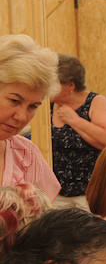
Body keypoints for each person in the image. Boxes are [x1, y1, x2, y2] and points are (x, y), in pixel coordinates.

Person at [51, 54, 106, 210]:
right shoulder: (48, 105)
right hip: (56, 194)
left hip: (88, 193)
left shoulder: (95, 102)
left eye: (54, 83)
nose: (49, 88)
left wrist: (74, 120)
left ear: (70, 85)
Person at [0, 35, 61, 201]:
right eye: (14, 101)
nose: (21, 117)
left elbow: (45, 214)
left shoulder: (27, 155)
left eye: (33, 106)